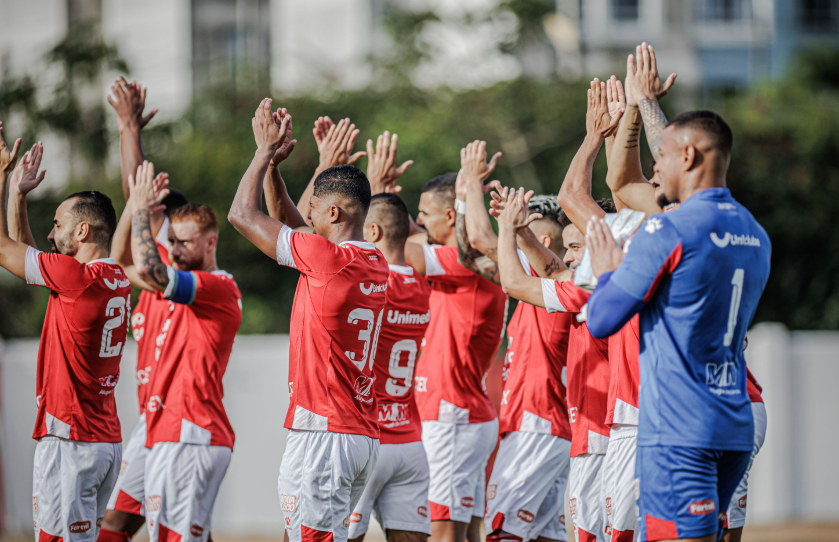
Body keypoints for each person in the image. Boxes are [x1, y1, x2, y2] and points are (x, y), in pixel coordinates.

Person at [583, 109, 771, 542]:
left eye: (662, 155)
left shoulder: (667, 229)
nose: (656, 166)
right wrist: (643, 101)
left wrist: (610, 270)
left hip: (678, 429)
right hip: (734, 422)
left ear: (687, 156)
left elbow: (601, 318)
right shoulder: (755, 231)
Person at [229, 100, 388, 542]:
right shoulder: (373, 262)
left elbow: (242, 216)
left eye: (315, 208)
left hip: (326, 432)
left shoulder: (326, 259)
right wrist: (276, 170)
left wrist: (261, 153)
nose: (309, 217)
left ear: (334, 214)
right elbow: (288, 224)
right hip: (357, 433)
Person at [1, 126, 128, 542]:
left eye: (57, 225)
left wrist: (2, 174)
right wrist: (18, 196)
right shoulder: (115, 279)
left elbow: (5, 250)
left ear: (83, 232)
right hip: (104, 440)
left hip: (70, 440)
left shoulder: (76, 278)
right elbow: (31, 259)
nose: (51, 235)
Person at [451, 140, 574, 542]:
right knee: (544, 535)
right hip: (548, 427)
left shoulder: (544, 278)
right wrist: (470, 194)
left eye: (526, 225)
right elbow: (472, 254)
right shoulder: (540, 287)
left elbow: (483, 241)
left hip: (536, 423)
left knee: (503, 532)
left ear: (546, 243)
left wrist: (472, 184)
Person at [127, 161, 242, 542]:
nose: (173, 249)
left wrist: (139, 208)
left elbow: (146, 266)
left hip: (192, 434)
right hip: (171, 430)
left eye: (183, 243)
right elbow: (131, 264)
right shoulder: (186, 284)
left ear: (211, 242)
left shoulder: (215, 286)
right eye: (171, 241)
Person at [493, 186, 614, 542]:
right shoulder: (595, 284)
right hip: (579, 428)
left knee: (503, 530)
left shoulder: (591, 288)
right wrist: (520, 230)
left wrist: (505, 227)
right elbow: (556, 269)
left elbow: (514, 280)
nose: (569, 259)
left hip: (565, 424)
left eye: (575, 248)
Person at [397, 165, 507, 542]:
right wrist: (382, 193)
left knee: (442, 532)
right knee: (464, 531)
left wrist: (374, 215)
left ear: (449, 215)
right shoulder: (454, 259)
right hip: (458, 415)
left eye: (424, 214)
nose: (419, 222)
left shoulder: (465, 261)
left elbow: (398, 246)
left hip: (452, 416)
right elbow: (407, 238)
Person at [99, 78, 186, 542]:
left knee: (171, 531)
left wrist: (128, 128)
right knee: (117, 527)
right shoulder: (143, 269)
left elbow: (136, 191)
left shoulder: (174, 262)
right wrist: (126, 130)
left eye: (151, 216)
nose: (139, 217)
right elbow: (133, 206)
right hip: (152, 419)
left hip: (178, 422)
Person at [347, 190, 433, 542]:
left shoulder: (369, 283)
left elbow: (305, 238)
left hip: (368, 437)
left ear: (373, 232)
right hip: (410, 442)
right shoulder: (423, 285)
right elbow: (406, 234)